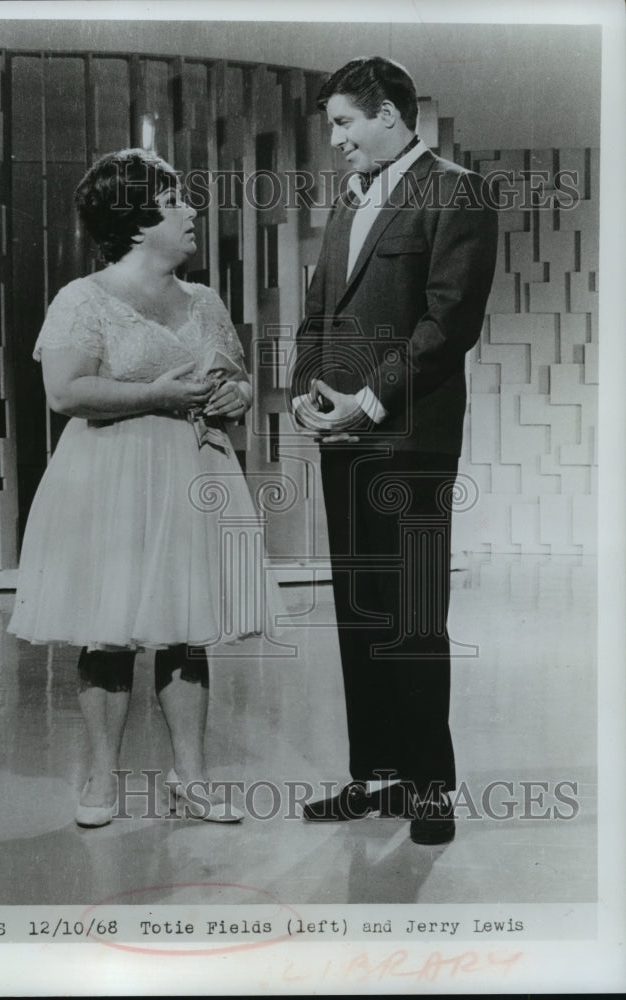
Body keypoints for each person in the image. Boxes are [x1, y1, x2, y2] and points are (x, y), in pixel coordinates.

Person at [8, 148, 281, 827]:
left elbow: (237, 379)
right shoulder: (83, 298)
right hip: (112, 475)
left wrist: (234, 396)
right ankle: (101, 777)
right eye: (175, 200)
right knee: (109, 629)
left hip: (196, 474)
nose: (191, 211)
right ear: (136, 216)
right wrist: (156, 393)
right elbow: (65, 392)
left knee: (187, 631)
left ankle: (191, 778)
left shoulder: (205, 300)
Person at [290, 56, 498, 844]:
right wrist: (311, 394)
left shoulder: (458, 190)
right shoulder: (345, 202)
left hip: (408, 438)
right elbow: (317, 316)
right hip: (338, 434)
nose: (335, 140)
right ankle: (374, 776)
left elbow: (448, 326)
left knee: (412, 613)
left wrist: (366, 402)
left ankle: (430, 788)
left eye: (344, 122)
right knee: (359, 608)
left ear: (388, 114)